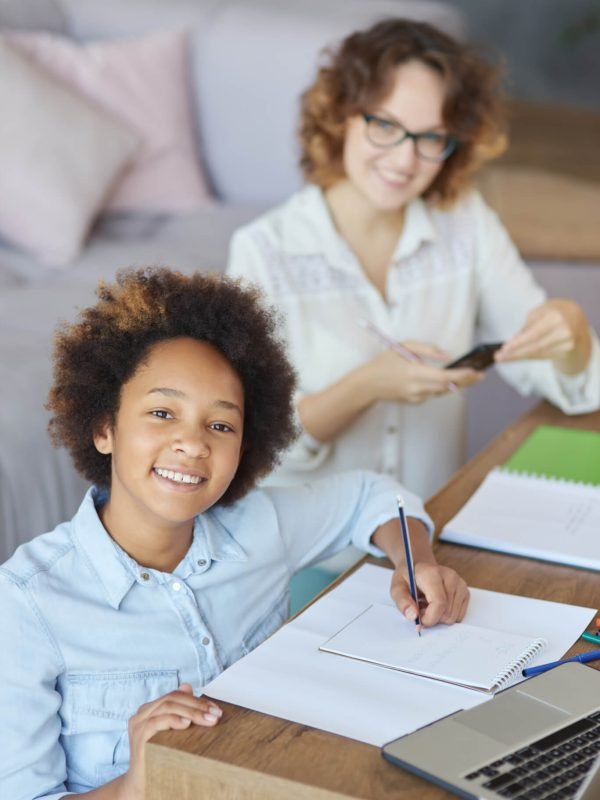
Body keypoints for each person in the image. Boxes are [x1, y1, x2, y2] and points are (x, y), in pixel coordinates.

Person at [0, 267, 468, 800]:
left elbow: (374, 497)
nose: (193, 444)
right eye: (161, 412)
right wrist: (137, 783)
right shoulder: (24, 605)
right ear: (104, 428)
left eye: (220, 425)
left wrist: (414, 560)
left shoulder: (260, 525)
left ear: (246, 446)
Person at [227, 18, 600, 500]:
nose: (405, 161)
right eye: (386, 125)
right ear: (341, 115)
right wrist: (367, 385)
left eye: (430, 138)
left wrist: (570, 333)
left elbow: (565, 377)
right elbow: (251, 441)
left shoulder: (466, 223)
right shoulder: (263, 249)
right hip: (308, 554)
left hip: (429, 536)